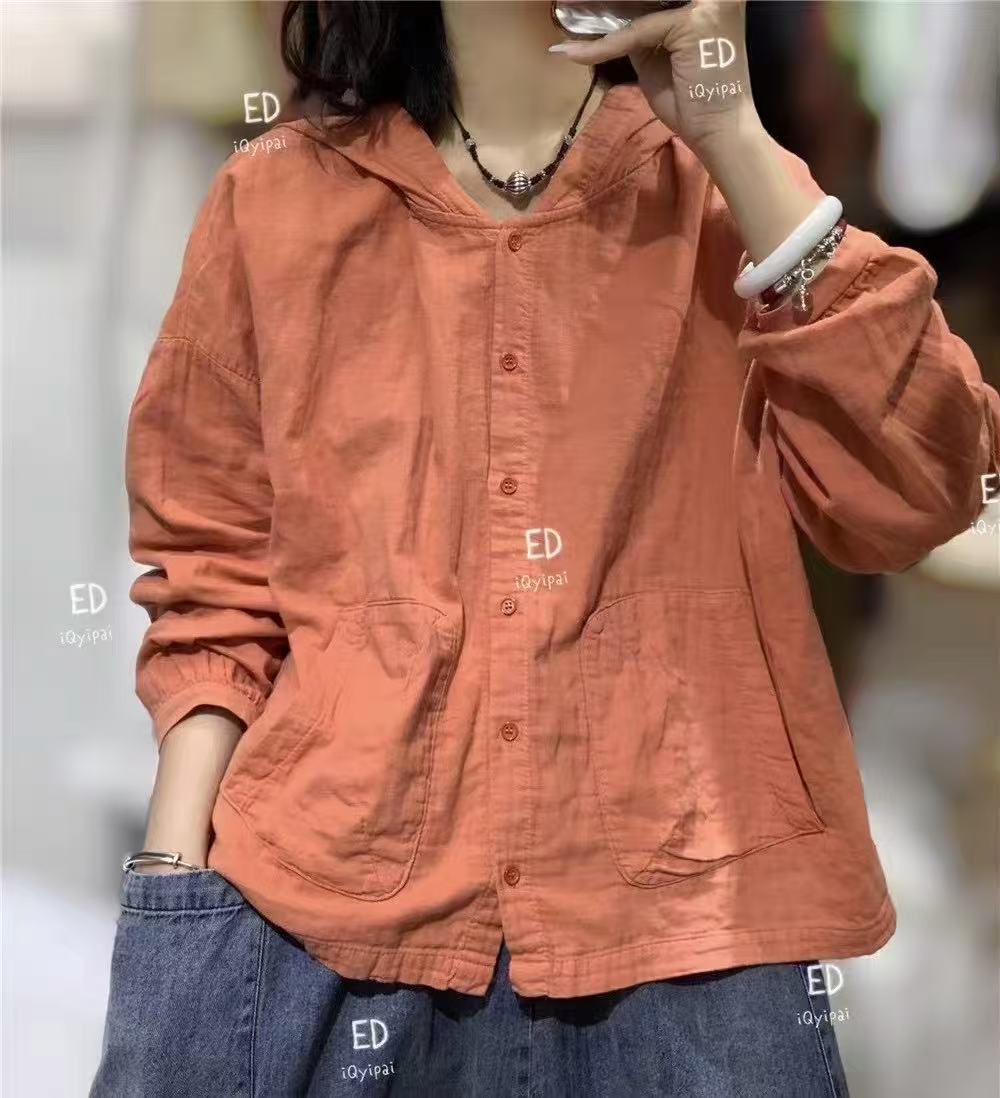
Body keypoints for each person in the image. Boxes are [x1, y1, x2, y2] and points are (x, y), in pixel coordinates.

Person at [90, 2, 1000, 1096]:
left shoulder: (723, 194)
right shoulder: (277, 199)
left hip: (691, 946)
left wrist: (733, 133)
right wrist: (173, 887)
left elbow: (922, 491)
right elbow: (211, 579)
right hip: (321, 931)